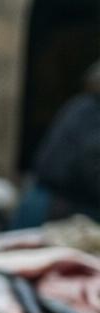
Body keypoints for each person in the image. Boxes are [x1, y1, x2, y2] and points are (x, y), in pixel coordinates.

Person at [23, 59, 100, 224]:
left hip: (46, 197)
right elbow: (91, 165)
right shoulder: (91, 113)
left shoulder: (80, 105)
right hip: (55, 204)